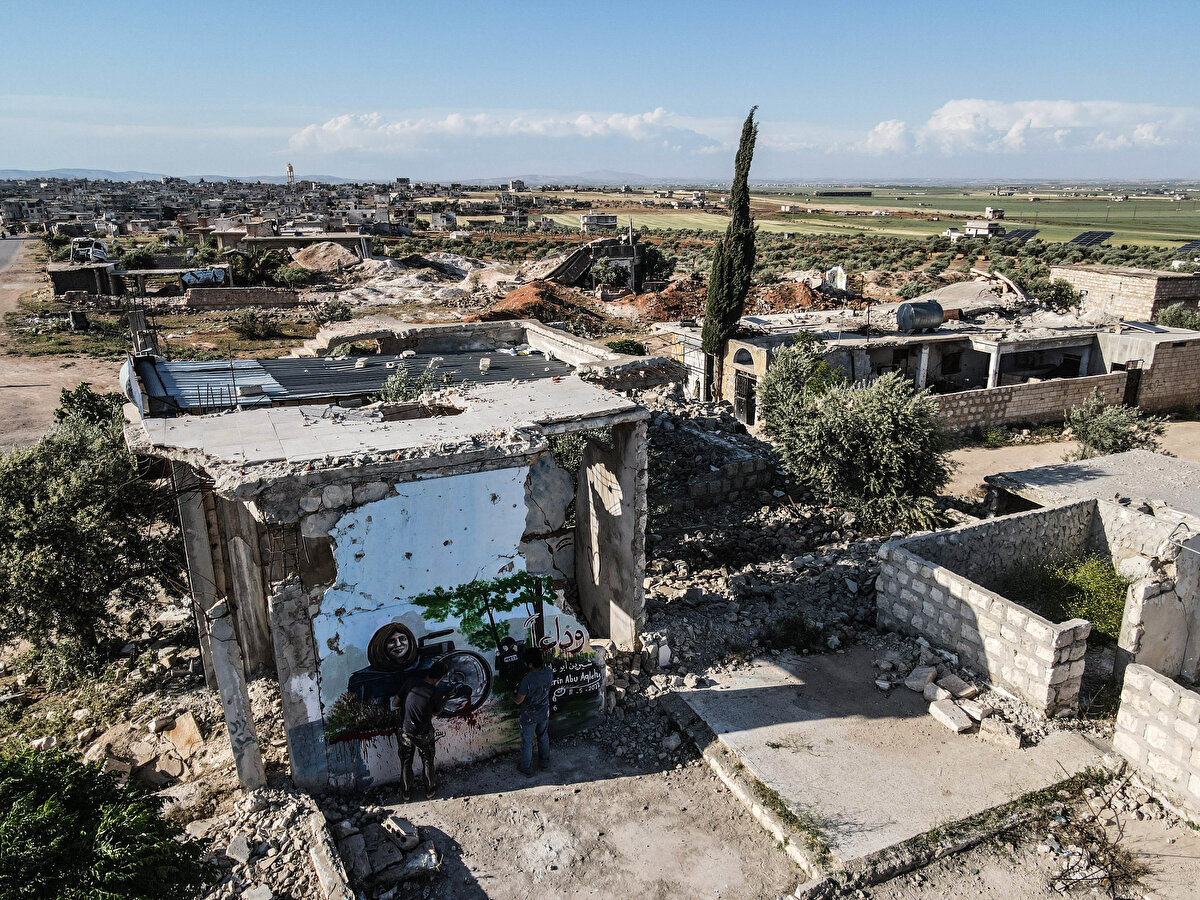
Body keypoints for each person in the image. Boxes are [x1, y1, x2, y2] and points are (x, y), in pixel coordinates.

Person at [397, 660, 449, 801]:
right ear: (440, 678)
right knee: (427, 760)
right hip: (423, 733)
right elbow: (437, 712)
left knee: (406, 761)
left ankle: (406, 794)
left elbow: (395, 703)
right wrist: (446, 698)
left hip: (405, 730)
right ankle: (430, 791)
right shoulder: (435, 693)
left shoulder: (411, 682)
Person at [512, 647, 553, 776]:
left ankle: (526, 767)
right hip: (544, 711)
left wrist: (511, 695)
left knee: (527, 741)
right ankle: (544, 762)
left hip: (529, 715)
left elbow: (519, 700)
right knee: (543, 736)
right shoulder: (548, 672)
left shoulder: (527, 679)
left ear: (530, 664)